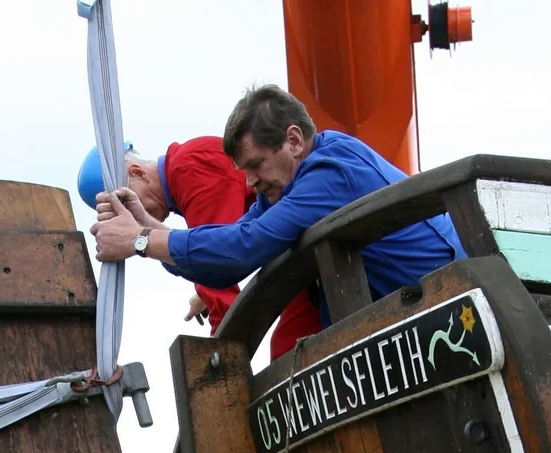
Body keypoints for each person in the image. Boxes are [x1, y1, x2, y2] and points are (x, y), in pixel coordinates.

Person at [89, 83, 467, 332]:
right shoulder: (284, 188)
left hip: (447, 304)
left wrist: (139, 241)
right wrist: (148, 227)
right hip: (408, 312)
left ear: (294, 141)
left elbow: (244, 248)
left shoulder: (329, 173)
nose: (249, 183)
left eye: (255, 165)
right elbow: (234, 240)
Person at [76, 137, 322, 360]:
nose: (130, 216)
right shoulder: (186, 170)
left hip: (313, 249)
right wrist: (206, 290)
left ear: (138, 172)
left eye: (126, 203)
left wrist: (221, 355)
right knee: (289, 349)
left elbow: (221, 258)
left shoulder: (189, 169)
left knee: (289, 351)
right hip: (301, 251)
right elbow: (211, 246)